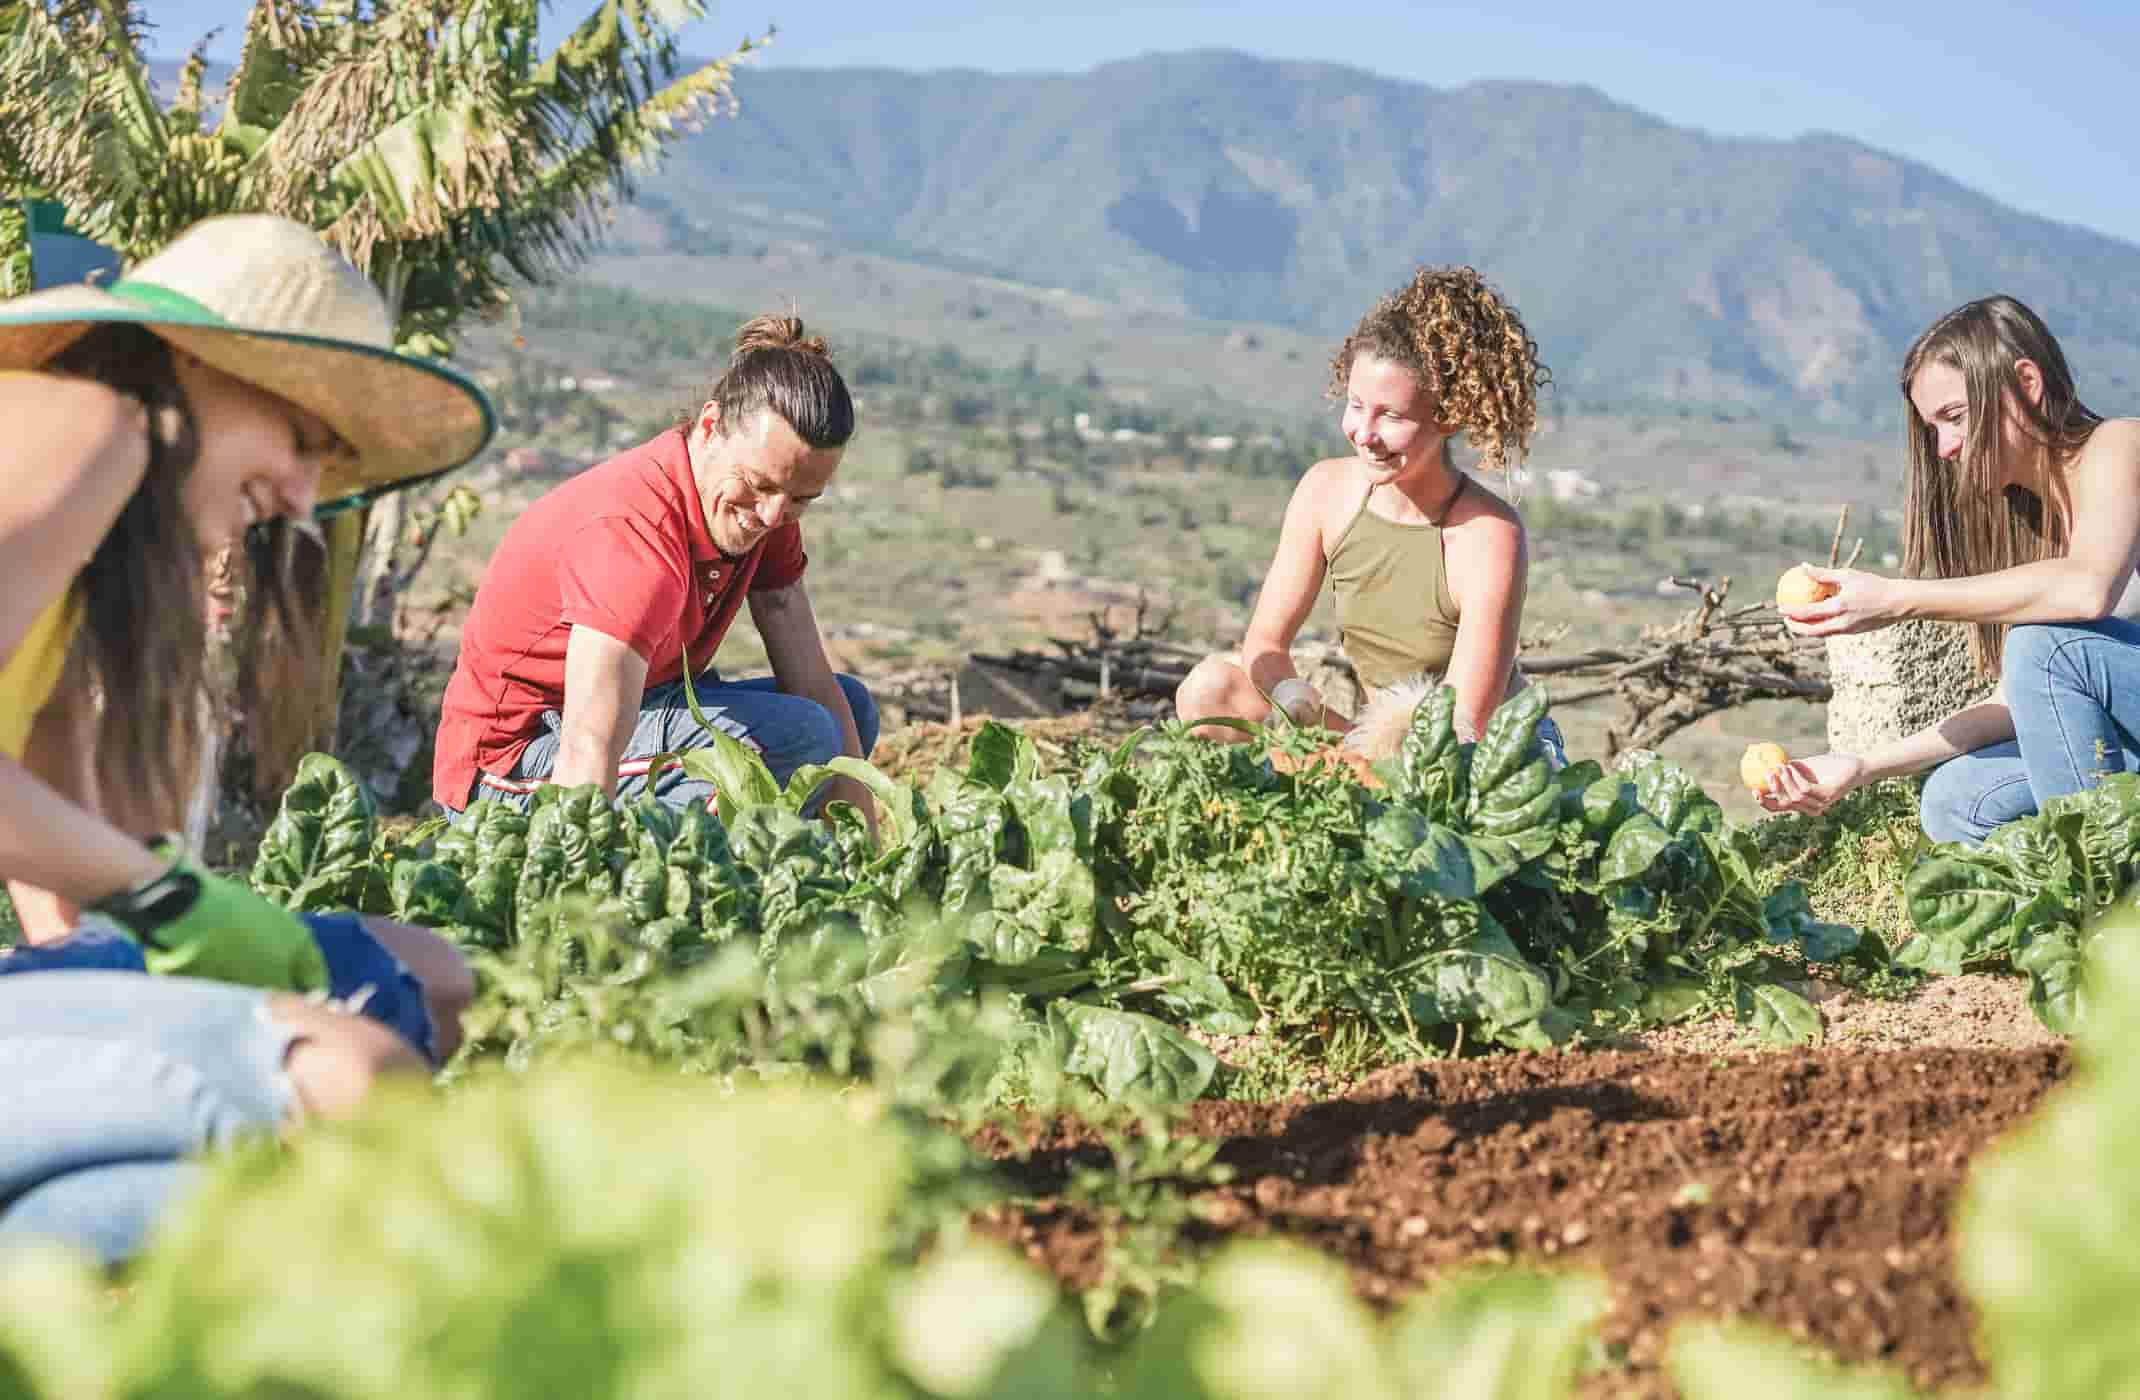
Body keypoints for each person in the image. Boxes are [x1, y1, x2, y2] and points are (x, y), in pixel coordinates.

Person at [1, 212, 495, 1262]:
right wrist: (167, 900)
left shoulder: (98, 558)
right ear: (188, 363)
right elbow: (136, 886)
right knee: (352, 1073)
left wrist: (139, 941)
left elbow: (68, 868)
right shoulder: (92, 422)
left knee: (427, 980)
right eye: (300, 436)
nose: (304, 495)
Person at [432, 315, 879, 827]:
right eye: (759, 485)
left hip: (641, 709)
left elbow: (814, 683)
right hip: (515, 768)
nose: (773, 515)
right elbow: (589, 743)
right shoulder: (635, 534)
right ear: (710, 427)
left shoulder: (768, 510)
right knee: (800, 738)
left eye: (801, 499)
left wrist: (874, 865)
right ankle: (669, 889)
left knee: (849, 712)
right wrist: (573, 885)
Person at [1761, 295, 2140, 844]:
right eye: (1932, 426)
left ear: (2026, 384)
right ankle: (2068, 900)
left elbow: (2089, 590)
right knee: (1957, 798)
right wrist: (1861, 766)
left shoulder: (2120, 445)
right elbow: (2027, 700)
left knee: (2043, 645)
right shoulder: (2029, 523)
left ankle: (2101, 892)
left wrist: (1896, 599)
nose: (1943, 447)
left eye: (1954, 417)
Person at [1175, 265, 1565, 763]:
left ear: (1448, 416)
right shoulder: (1325, 490)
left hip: (1470, 755)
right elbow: (1264, 643)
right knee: (1211, 693)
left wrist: (1346, 759)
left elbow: (1465, 724)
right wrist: (1293, 702)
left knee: (1408, 770)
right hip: (1375, 740)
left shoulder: (1489, 535)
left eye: (1392, 416)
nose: (1364, 432)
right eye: (1357, 405)